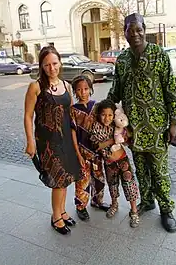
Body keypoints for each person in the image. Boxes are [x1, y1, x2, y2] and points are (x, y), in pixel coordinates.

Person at [107, 13, 176, 233]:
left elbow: (171, 90)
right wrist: (103, 111)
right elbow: (116, 90)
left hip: (157, 127)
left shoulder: (159, 55)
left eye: (139, 29)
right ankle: (147, 201)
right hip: (133, 130)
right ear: (125, 33)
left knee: (159, 171)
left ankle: (166, 209)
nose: (135, 34)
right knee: (141, 170)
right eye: (131, 30)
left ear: (144, 29)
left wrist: (174, 123)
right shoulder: (122, 60)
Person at [24, 46, 81, 235]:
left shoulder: (65, 85)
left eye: (54, 63)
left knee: (67, 177)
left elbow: (70, 112)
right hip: (48, 141)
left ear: (60, 63)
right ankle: (55, 216)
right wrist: (30, 141)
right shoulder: (36, 86)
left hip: (65, 138)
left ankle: (63, 212)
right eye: (47, 64)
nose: (52, 68)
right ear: (41, 66)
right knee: (58, 180)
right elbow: (27, 115)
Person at [90, 99, 139, 228]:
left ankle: (134, 210)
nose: (107, 118)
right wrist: (112, 140)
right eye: (103, 114)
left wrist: (124, 135)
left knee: (129, 183)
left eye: (110, 115)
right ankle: (114, 204)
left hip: (122, 159)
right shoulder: (95, 127)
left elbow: (126, 138)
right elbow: (96, 145)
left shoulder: (117, 125)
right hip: (108, 162)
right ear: (98, 114)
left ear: (114, 115)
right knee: (112, 184)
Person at [71, 75, 110, 221]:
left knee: (99, 178)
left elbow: (105, 123)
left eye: (86, 89)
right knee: (82, 181)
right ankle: (80, 206)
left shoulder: (96, 107)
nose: (83, 92)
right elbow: (73, 133)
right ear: (75, 92)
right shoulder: (73, 110)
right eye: (79, 90)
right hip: (82, 152)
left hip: (97, 152)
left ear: (91, 89)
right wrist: (77, 154)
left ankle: (97, 200)